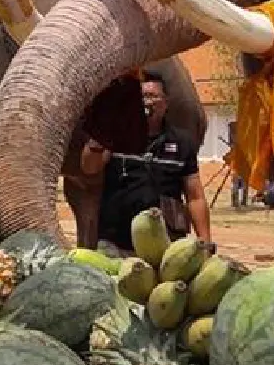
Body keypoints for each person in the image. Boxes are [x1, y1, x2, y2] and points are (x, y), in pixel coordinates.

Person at [82, 71, 212, 255]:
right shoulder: (114, 137)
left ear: (165, 103)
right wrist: (97, 141)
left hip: (167, 244)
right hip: (117, 244)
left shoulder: (182, 143)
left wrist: (205, 242)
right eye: (141, 97)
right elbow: (89, 167)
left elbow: (195, 196)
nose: (146, 102)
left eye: (152, 96)